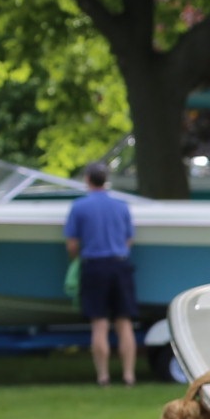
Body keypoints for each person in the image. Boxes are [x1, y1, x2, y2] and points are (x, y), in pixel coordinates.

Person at [64, 163, 139, 387]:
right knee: (124, 322)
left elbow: (72, 244)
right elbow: (129, 239)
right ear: (105, 179)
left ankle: (103, 376)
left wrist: (76, 261)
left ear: (87, 179)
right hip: (120, 265)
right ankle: (129, 375)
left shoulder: (79, 207)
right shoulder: (121, 206)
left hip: (94, 267)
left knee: (99, 323)